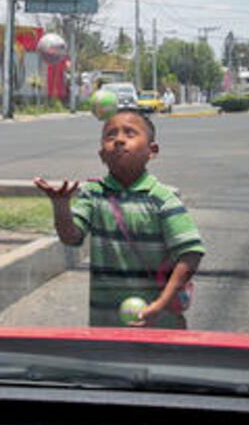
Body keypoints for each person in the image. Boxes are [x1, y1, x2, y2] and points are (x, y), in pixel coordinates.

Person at [34, 108, 205, 328]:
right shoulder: (93, 194)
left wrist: (161, 304)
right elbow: (70, 238)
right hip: (106, 323)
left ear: (152, 151)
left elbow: (191, 252)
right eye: (110, 135)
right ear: (101, 155)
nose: (119, 140)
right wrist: (60, 206)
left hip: (158, 322)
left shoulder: (162, 198)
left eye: (130, 133)